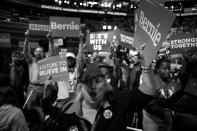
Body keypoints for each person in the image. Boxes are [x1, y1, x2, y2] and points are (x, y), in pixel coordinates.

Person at [41, 46, 157, 131]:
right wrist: (46, 89)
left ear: (106, 86)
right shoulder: (67, 111)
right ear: (80, 87)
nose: (93, 86)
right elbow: (49, 110)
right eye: (88, 82)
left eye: (98, 81)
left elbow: (149, 90)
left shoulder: (118, 102)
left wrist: (146, 64)